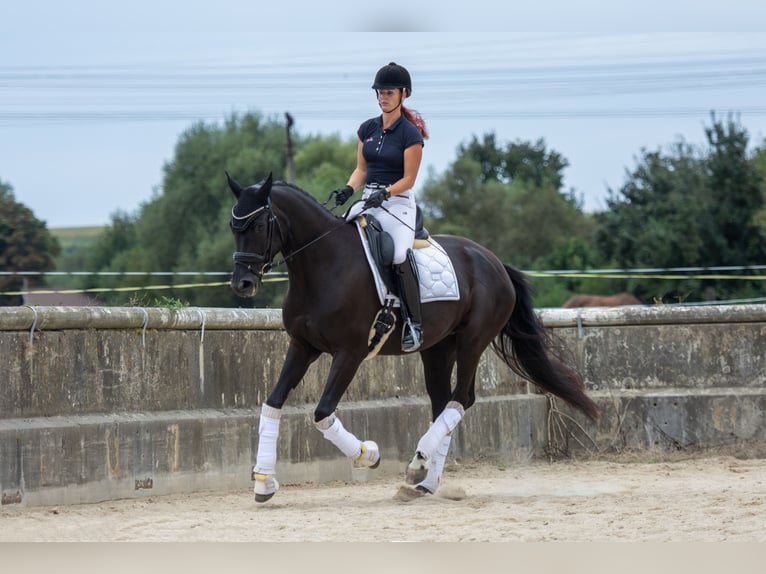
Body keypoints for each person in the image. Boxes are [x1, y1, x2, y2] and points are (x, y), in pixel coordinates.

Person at [333, 62, 429, 353]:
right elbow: (361, 169)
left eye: (388, 92)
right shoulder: (367, 129)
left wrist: (386, 192)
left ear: (404, 94)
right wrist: (349, 188)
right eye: (379, 92)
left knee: (399, 253)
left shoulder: (410, 135)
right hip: (369, 199)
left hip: (397, 202)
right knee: (336, 236)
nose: (382, 97)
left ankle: (414, 323)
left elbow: (409, 179)